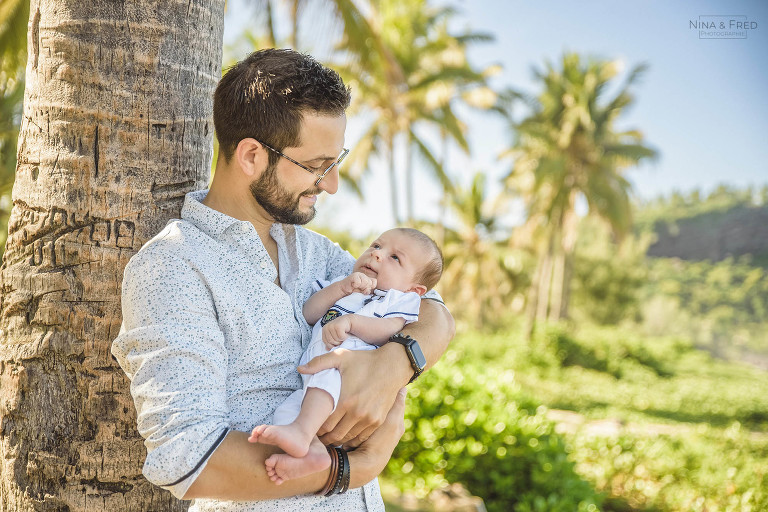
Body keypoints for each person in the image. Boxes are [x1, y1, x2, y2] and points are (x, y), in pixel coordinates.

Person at [111, 48, 454, 512]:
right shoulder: (174, 266)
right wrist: (352, 469)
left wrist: (395, 364)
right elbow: (189, 459)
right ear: (252, 155)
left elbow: (432, 307)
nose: (330, 185)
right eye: (317, 166)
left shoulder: (314, 251)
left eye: (337, 162)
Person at [249, 228, 443, 485]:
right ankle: (314, 452)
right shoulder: (344, 283)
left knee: (319, 389)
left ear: (415, 290)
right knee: (287, 410)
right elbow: (308, 314)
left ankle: (302, 433)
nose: (377, 255)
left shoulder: (398, 301)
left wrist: (352, 323)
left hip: (346, 371)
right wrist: (341, 288)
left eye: (395, 258)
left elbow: (389, 329)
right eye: (376, 245)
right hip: (314, 375)